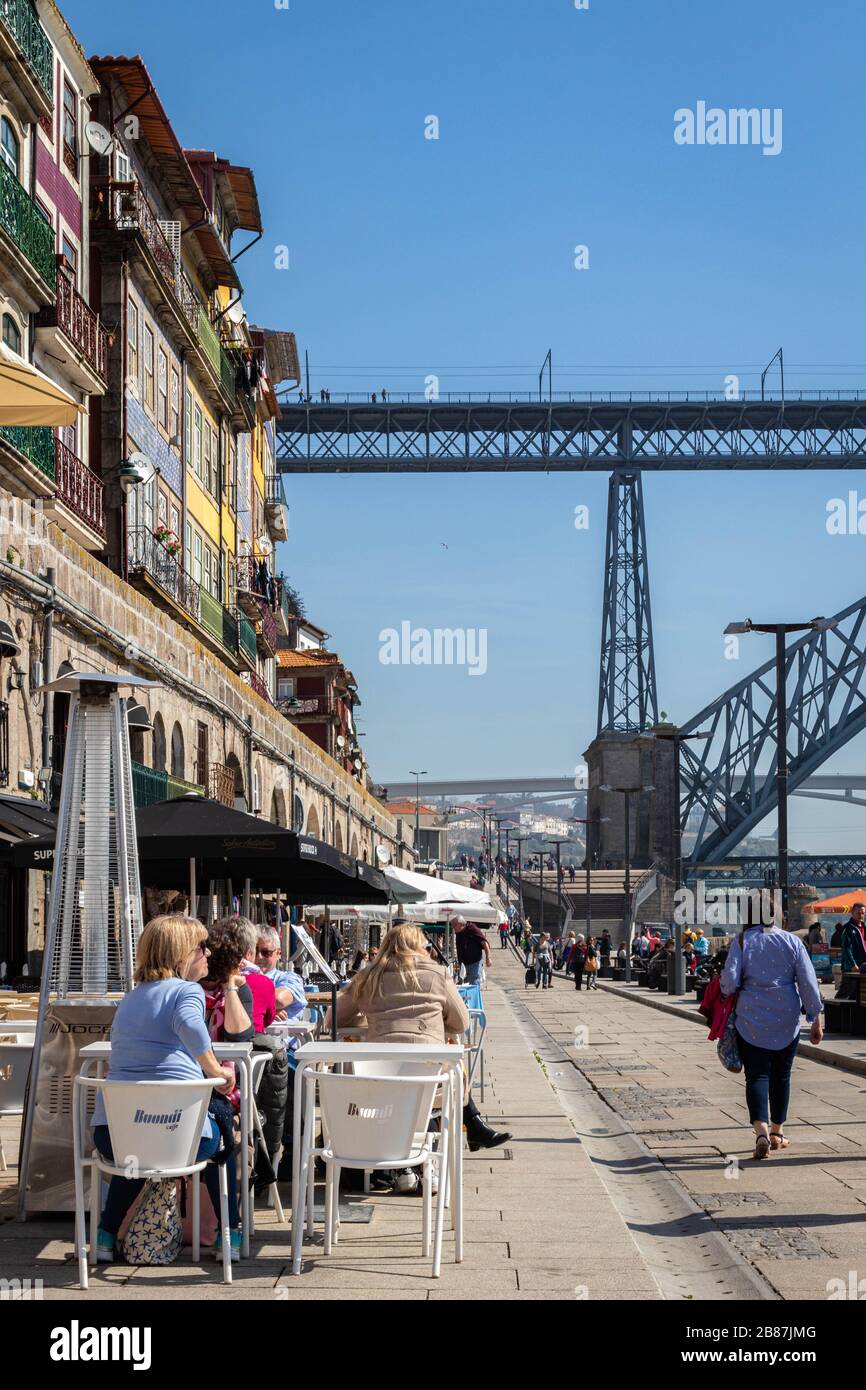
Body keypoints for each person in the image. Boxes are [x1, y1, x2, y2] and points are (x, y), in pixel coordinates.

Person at [90, 915, 241, 1264]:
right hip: (177, 1134)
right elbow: (189, 1022)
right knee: (221, 1141)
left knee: (137, 1150)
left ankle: (106, 1232)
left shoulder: (129, 998)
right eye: (201, 947)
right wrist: (216, 1070)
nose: (207, 953)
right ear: (181, 954)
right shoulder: (187, 991)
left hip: (112, 1133)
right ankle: (229, 1233)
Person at [329, 923, 511, 1182]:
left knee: (416, 1082)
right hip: (431, 1080)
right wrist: (433, 1025)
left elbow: (332, 1020)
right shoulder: (437, 974)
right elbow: (461, 1022)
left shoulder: (368, 976)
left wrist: (371, 1022)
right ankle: (457, 1138)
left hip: (379, 1078)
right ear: (419, 947)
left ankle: (411, 1165)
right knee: (441, 1074)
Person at [721, 892, 824, 1160]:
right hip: (786, 1016)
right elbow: (808, 983)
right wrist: (815, 1017)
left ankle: (761, 1133)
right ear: (775, 915)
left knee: (756, 1075)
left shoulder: (743, 941)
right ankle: (778, 1132)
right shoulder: (792, 941)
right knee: (782, 1074)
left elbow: (729, 982)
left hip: (751, 1016)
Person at [836, 902, 866, 998]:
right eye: (858, 913)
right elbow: (846, 948)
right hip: (851, 968)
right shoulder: (848, 929)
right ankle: (833, 1010)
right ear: (852, 913)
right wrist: (853, 964)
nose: (861, 915)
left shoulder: (865, 927)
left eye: (863, 913)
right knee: (845, 992)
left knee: (858, 995)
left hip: (863, 966)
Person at [454, 915, 490, 985]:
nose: (453, 927)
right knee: (463, 985)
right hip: (463, 964)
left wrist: (488, 958)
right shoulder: (459, 932)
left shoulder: (473, 929)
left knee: (473, 983)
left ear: (461, 924)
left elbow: (485, 943)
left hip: (474, 963)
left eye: (455, 925)